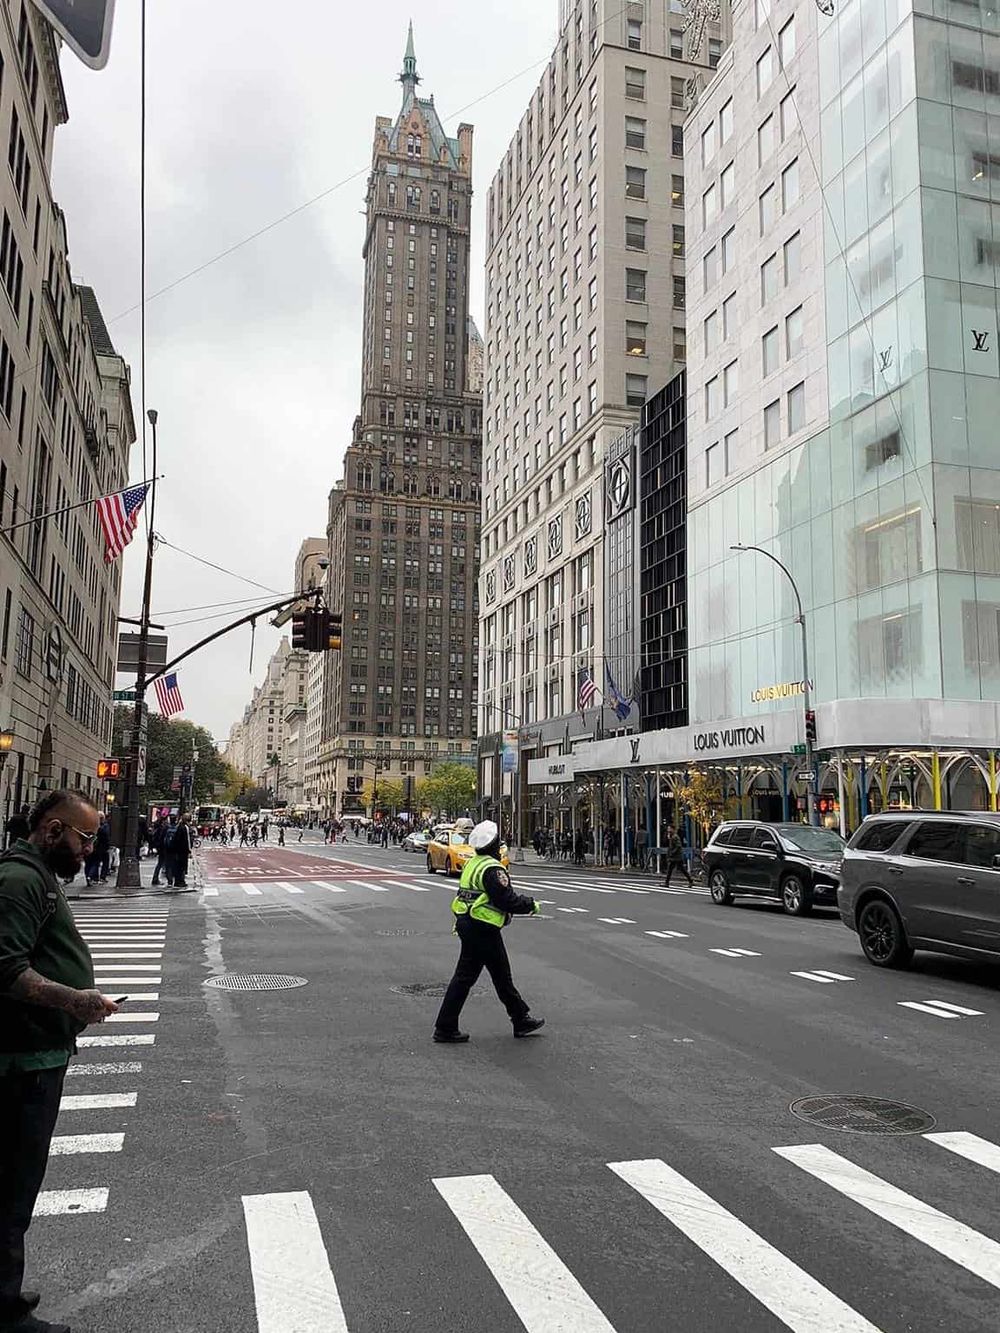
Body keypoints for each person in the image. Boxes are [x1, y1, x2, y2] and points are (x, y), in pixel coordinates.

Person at [0, 789, 118, 1333]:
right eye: (85, 837)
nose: (90, 849)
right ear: (52, 831)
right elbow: (5, 970)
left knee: (16, 1184)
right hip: (20, 1062)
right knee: (11, 1185)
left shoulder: (33, 876)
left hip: (34, 1055)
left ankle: (5, 1293)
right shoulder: (21, 880)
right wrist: (78, 1001)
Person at [433, 820, 545, 1044]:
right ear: (494, 845)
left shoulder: (473, 864)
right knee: (483, 976)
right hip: (482, 927)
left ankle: (519, 1018)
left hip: (469, 923)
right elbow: (506, 899)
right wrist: (530, 904)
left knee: (490, 975)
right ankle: (445, 1027)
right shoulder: (492, 869)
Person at [170, 815, 193, 889]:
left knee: (179, 866)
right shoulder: (184, 828)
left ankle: (179, 881)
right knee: (181, 866)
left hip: (179, 850)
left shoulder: (179, 826)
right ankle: (179, 881)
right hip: (182, 851)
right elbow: (187, 840)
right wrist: (189, 849)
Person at [150, 815, 172, 887]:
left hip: (160, 849)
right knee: (167, 864)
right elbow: (164, 840)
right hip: (164, 849)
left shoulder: (159, 828)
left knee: (160, 864)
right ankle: (169, 881)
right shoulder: (165, 828)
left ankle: (155, 878)